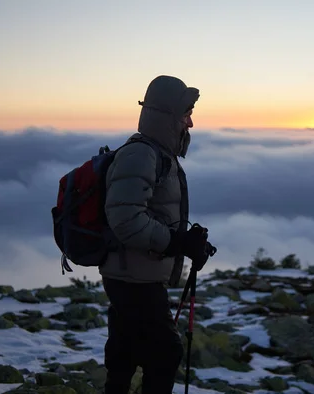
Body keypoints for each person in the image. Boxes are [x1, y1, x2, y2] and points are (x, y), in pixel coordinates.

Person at [99, 75, 213, 394]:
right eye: (185, 114)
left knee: (124, 353)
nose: (190, 121)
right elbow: (126, 218)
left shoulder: (158, 155)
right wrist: (177, 242)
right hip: (134, 276)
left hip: (132, 272)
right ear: (166, 116)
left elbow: (152, 213)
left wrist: (189, 241)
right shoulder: (142, 155)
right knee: (165, 354)